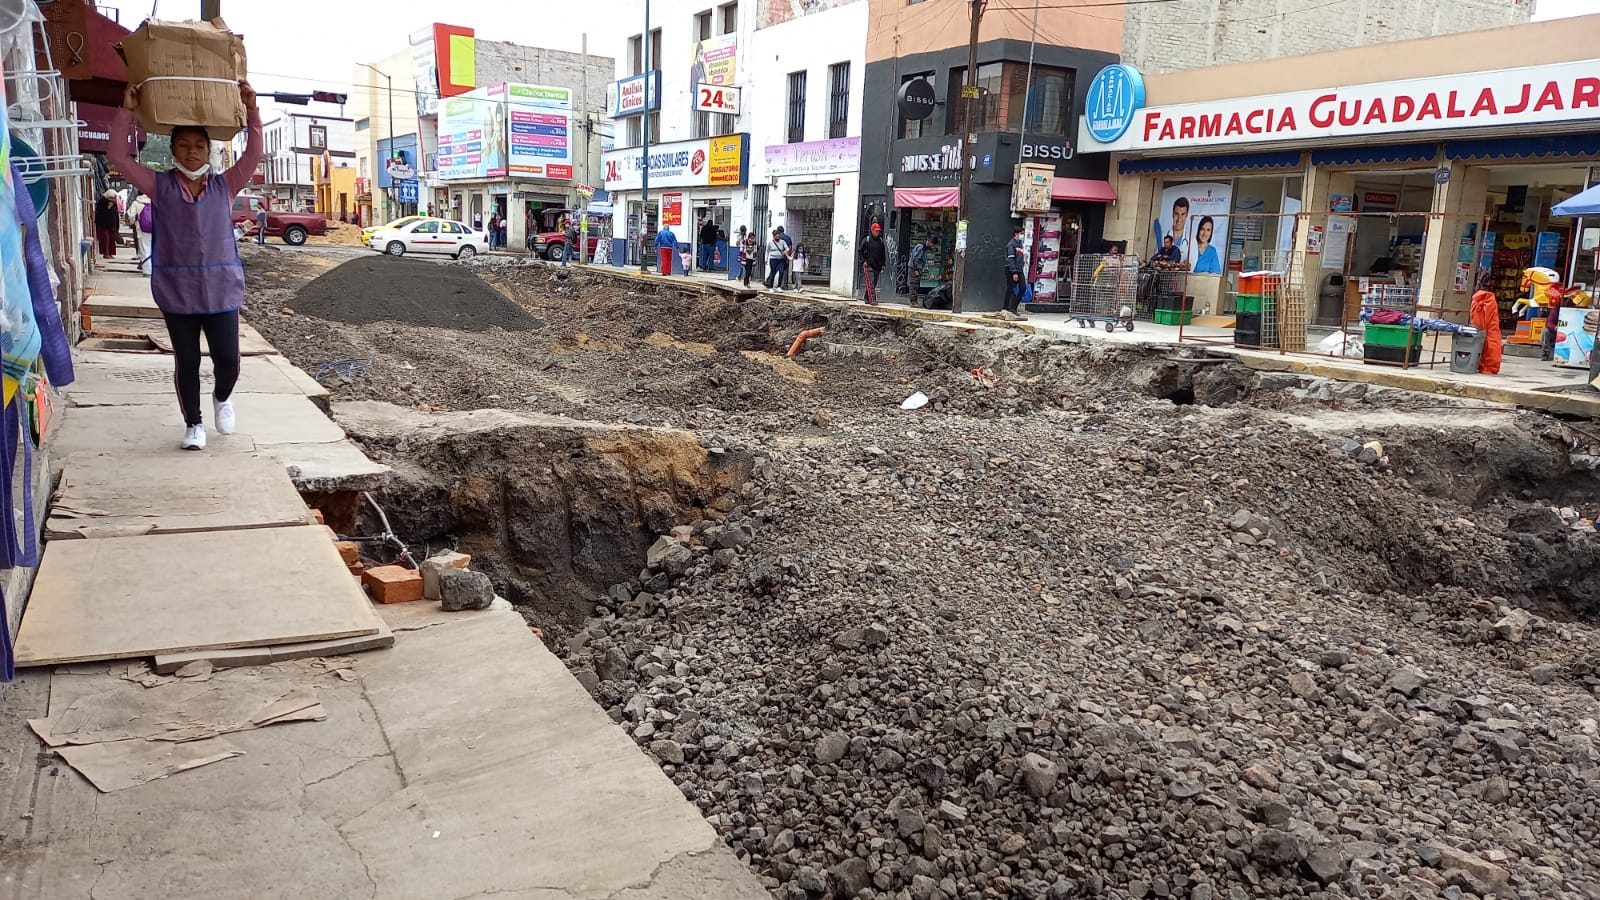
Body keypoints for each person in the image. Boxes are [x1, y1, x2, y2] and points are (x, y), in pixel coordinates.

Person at [111, 79, 262, 451]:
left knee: (227, 360)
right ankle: (194, 424)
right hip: (177, 292)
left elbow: (254, 154)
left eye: (198, 146)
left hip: (221, 290)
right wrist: (126, 109)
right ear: (174, 150)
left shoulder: (225, 186)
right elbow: (117, 155)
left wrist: (252, 109)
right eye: (184, 146)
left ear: (209, 149)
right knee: (188, 360)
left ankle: (222, 398)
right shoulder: (158, 186)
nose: (192, 153)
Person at [126, 192, 154, 276]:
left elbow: (131, 216)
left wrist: (132, 222)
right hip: (156, 229)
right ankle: (155, 269)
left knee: (145, 249)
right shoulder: (156, 201)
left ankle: (147, 271)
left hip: (142, 229)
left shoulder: (136, 203)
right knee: (154, 249)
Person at [859, 222, 886, 305]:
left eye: (878, 231)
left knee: (873, 284)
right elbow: (860, 251)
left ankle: (866, 297)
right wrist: (863, 261)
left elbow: (883, 254)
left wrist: (883, 264)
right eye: (876, 231)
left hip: (877, 266)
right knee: (871, 283)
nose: (877, 232)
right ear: (872, 231)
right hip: (868, 265)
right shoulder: (866, 240)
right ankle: (872, 299)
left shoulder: (881, 241)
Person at [1162, 197, 1191, 266]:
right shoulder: (1162, 237)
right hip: (1164, 276)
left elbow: (1190, 268)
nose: (1179, 219)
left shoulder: (1192, 242)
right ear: (1172, 214)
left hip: (1182, 277)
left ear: (1187, 215)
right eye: (1176, 214)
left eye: (1183, 214)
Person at [907, 236, 934, 307]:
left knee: (916, 285)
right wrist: (915, 269)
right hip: (914, 268)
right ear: (930, 242)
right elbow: (915, 258)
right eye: (932, 245)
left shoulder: (923, 247)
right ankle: (913, 301)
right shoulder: (921, 247)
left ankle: (914, 301)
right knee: (914, 285)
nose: (932, 247)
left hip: (916, 268)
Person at [94, 189, 121, 258]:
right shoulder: (102, 202)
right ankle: (106, 253)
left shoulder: (114, 204)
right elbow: (99, 214)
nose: (112, 199)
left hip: (112, 225)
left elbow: (116, 214)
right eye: (111, 198)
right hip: (103, 224)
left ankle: (110, 253)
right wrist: (108, 207)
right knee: (105, 239)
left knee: (111, 239)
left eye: (113, 198)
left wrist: (117, 226)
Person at [1005, 224, 1028, 291]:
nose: (1023, 235)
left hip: (1019, 269)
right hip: (1012, 270)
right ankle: (1007, 302)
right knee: (1010, 289)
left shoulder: (1021, 244)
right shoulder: (1011, 244)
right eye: (1021, 233)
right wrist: (1014, 272)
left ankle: (1016, 301)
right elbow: (1011, 259)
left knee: (1023, 288)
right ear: (1016, 234)